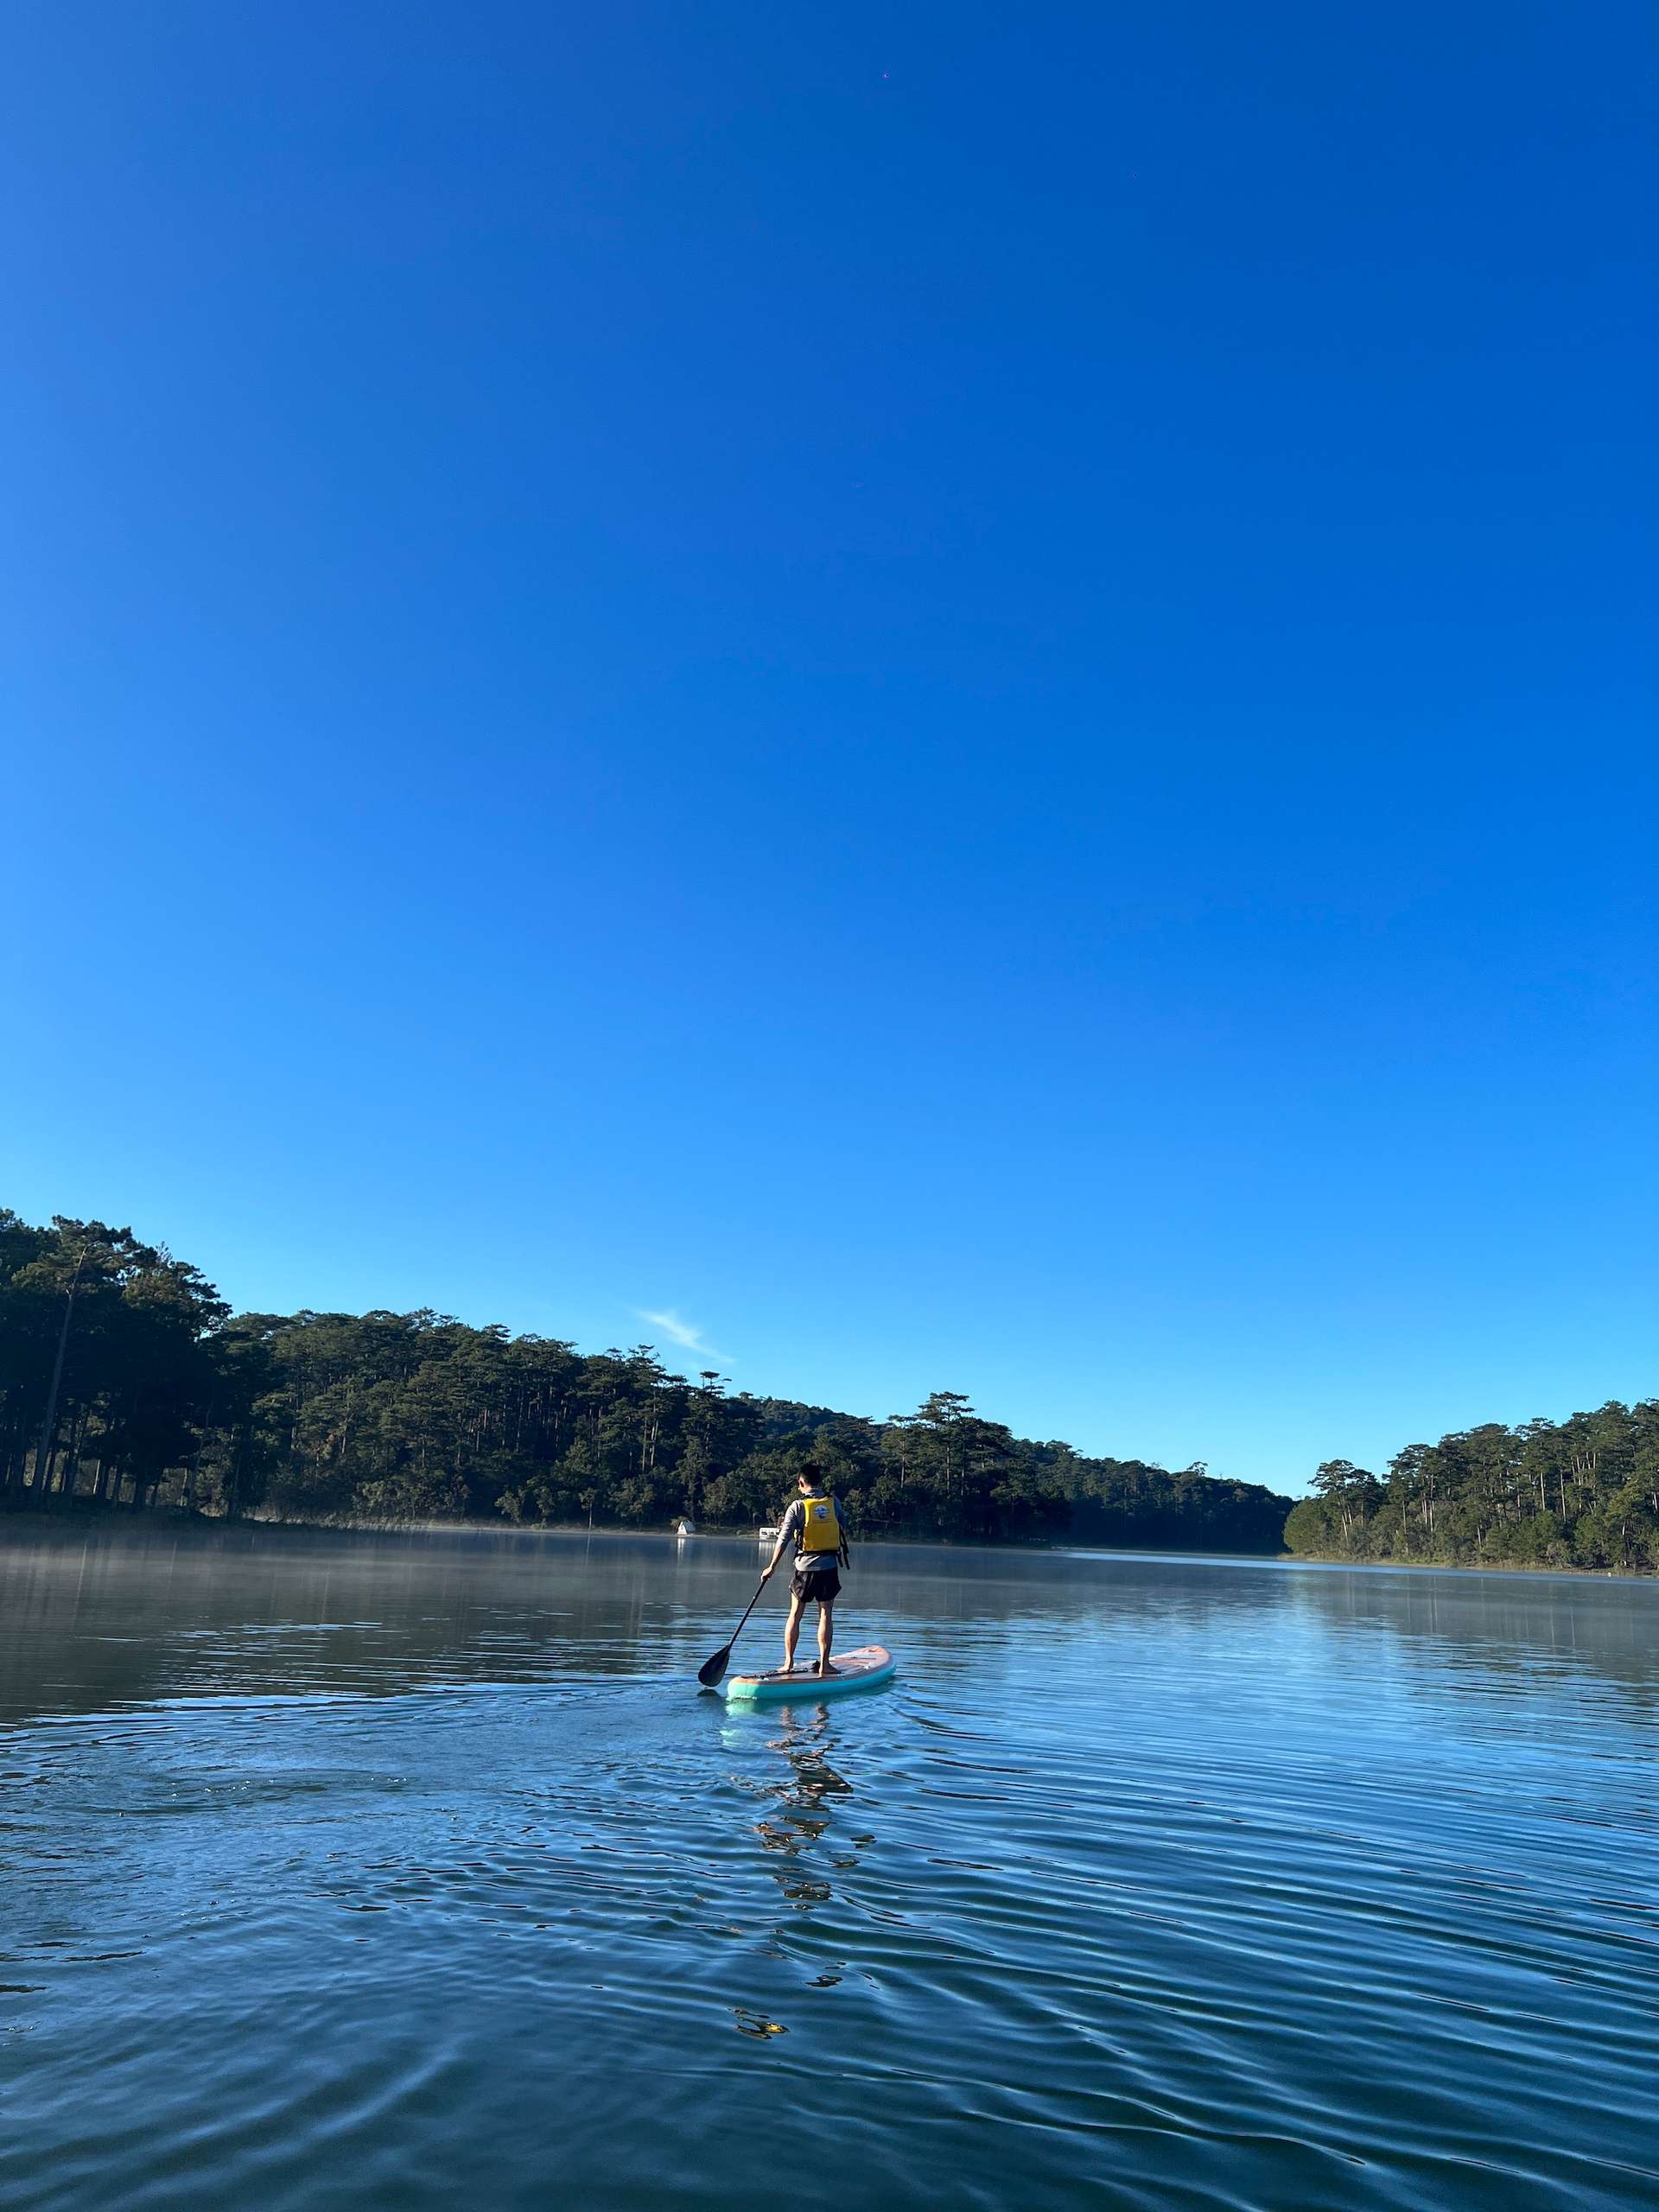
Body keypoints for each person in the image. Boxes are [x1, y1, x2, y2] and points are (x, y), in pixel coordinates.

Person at [761, 1464, 849, 1676]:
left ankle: (788, 1663)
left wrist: (771, 1567)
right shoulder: (833, 1501)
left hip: (805, 1569)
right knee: (826, 1614)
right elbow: (843, 1523)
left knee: (795, 1614)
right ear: (820, 1482)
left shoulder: (797, 1506)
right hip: (828, 1566)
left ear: (801, 1483)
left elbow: (783, 1539)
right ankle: (825, 1665)